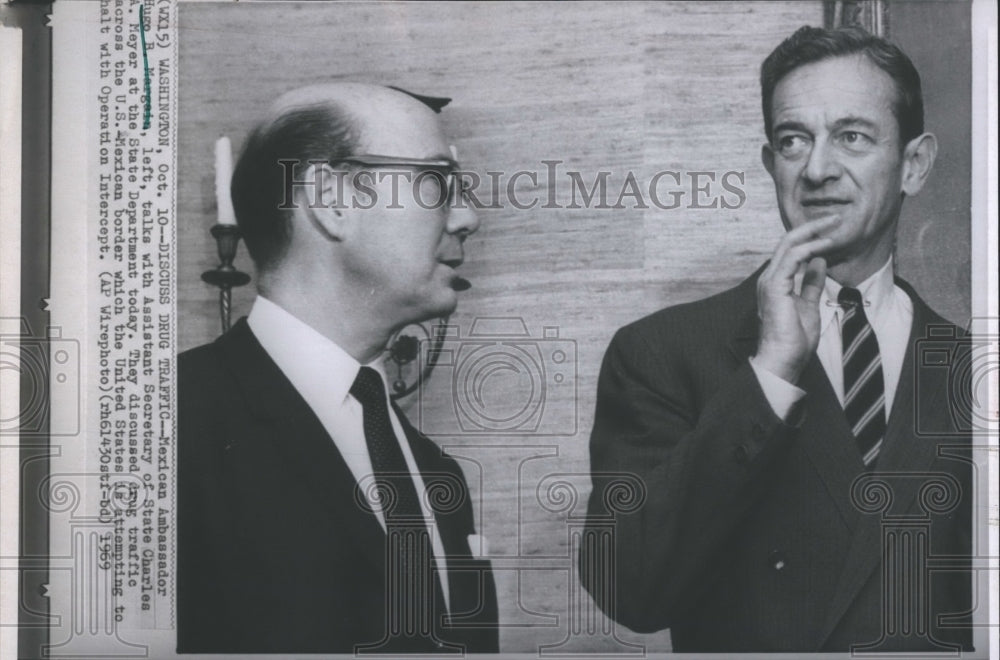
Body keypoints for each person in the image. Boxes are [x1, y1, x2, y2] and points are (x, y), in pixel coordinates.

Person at [581, 26, 973, 653]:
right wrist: (768, 376)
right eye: (794, 141)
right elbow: (630, 589)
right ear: (771, 164)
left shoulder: (972, 368)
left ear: (915, 164)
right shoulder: (661, 351)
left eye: (852, 137)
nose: (817, 169)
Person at [177, 83, 498, 654]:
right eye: (438, 182)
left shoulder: (436, 471)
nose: (468, 218)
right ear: (332, 200)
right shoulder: (168, 424)